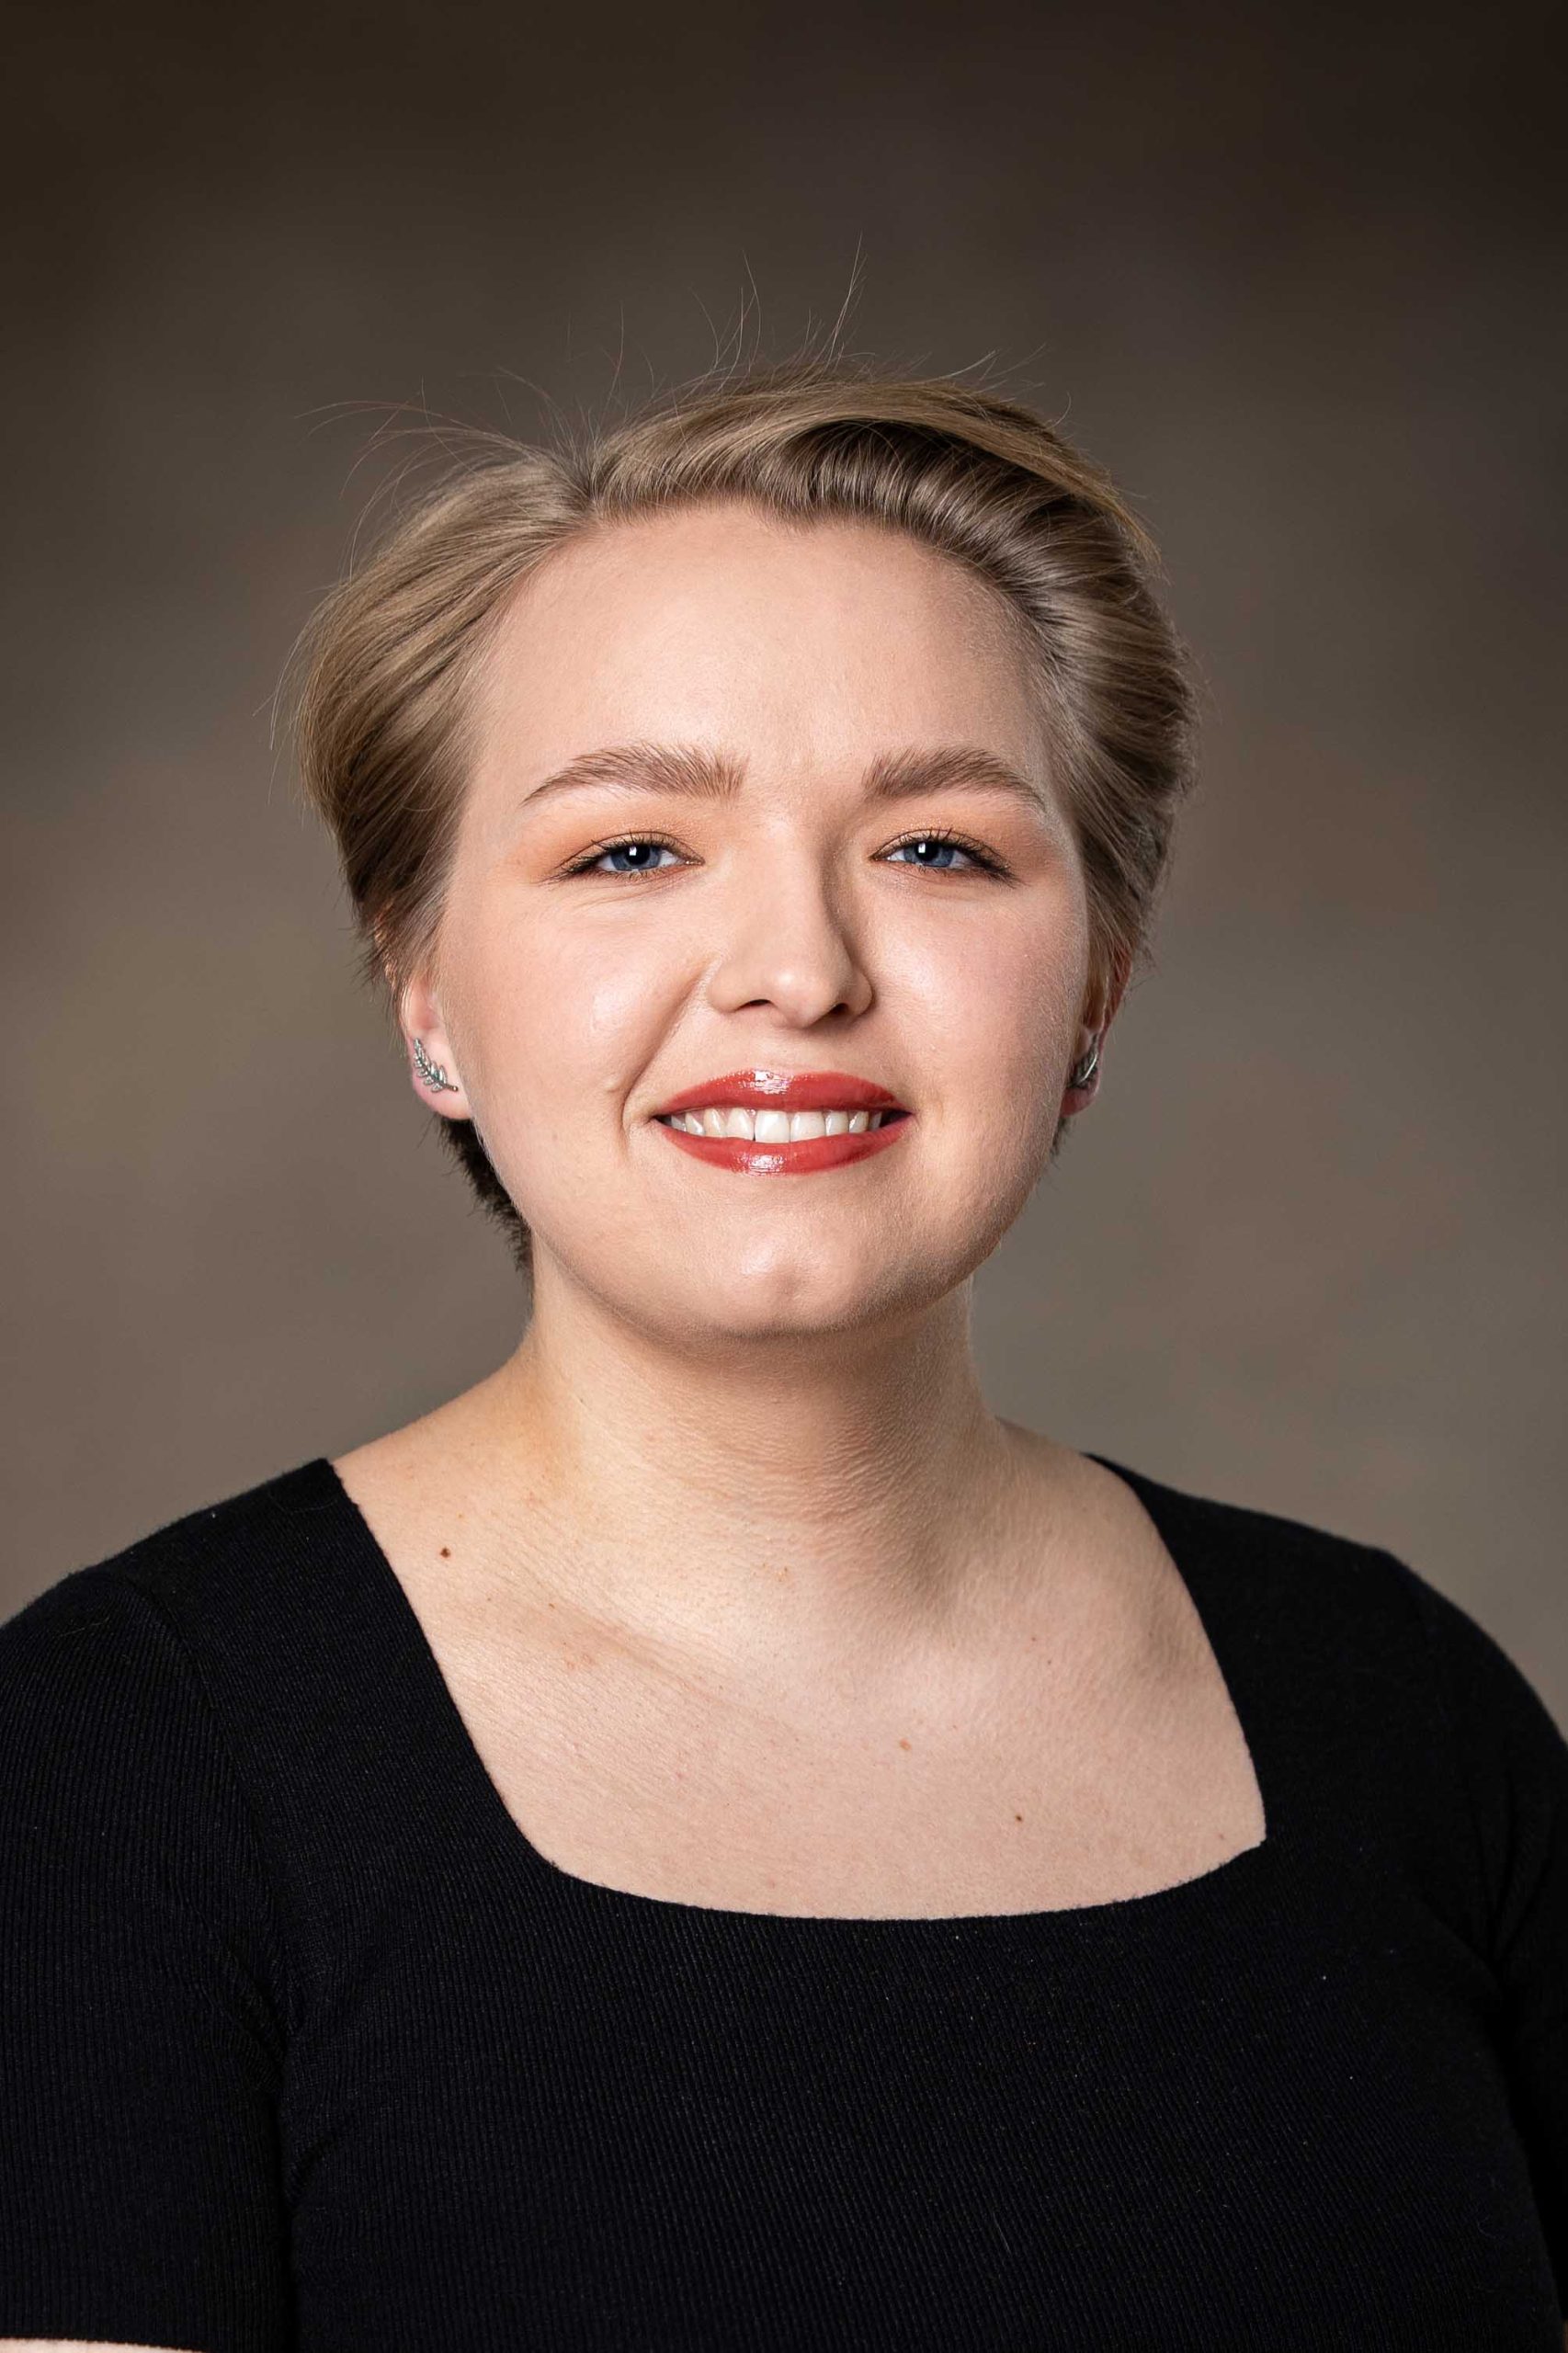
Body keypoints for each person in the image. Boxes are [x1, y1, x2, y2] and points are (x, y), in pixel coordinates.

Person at [2, 356, 1564, 2353]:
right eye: (630, 850)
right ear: (425, 986)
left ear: (1095, 983)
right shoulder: (112, 1765)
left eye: (938, 848)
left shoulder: (1408, 1716)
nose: (799, 970)